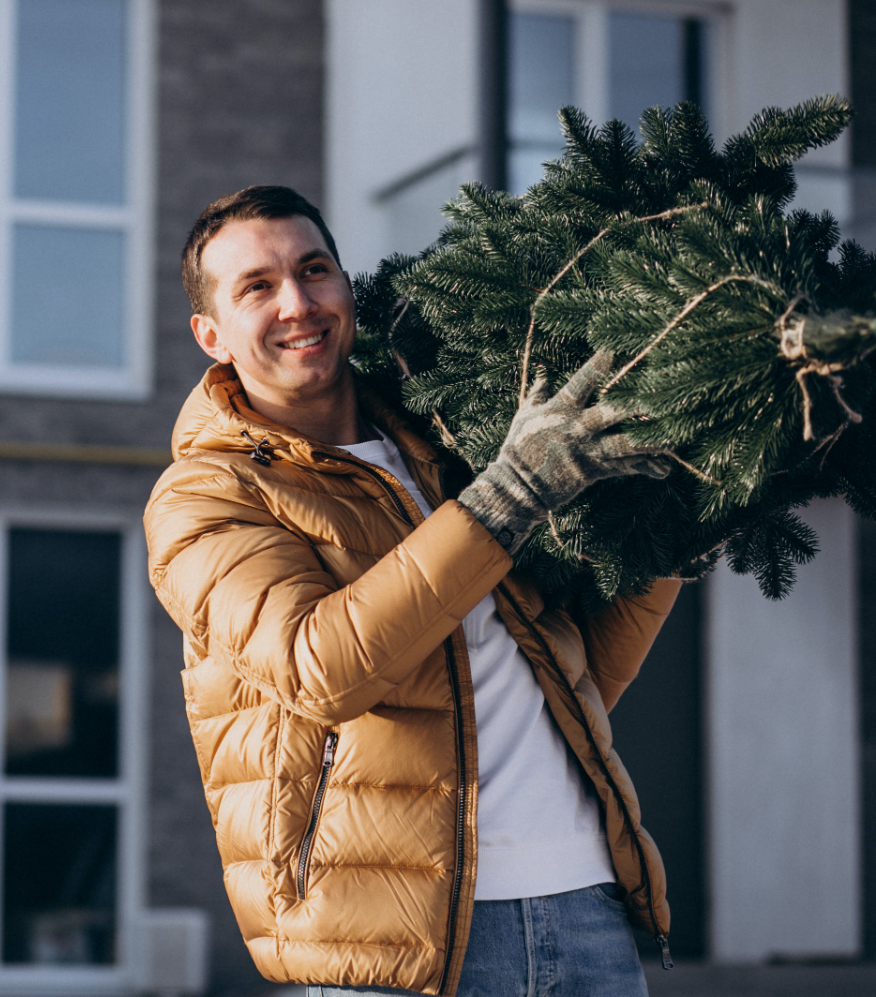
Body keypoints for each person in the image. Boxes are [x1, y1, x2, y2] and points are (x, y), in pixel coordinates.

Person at [144, 185, 681, 997]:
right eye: (257, 286)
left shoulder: (449, 436)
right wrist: (511, 491)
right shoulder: (204, 496)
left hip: (585, 906)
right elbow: (324, 667)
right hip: (398, 945)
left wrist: (673, 538)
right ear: (210, 335)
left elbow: (575, 680)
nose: (297, 301)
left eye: (314, 269)